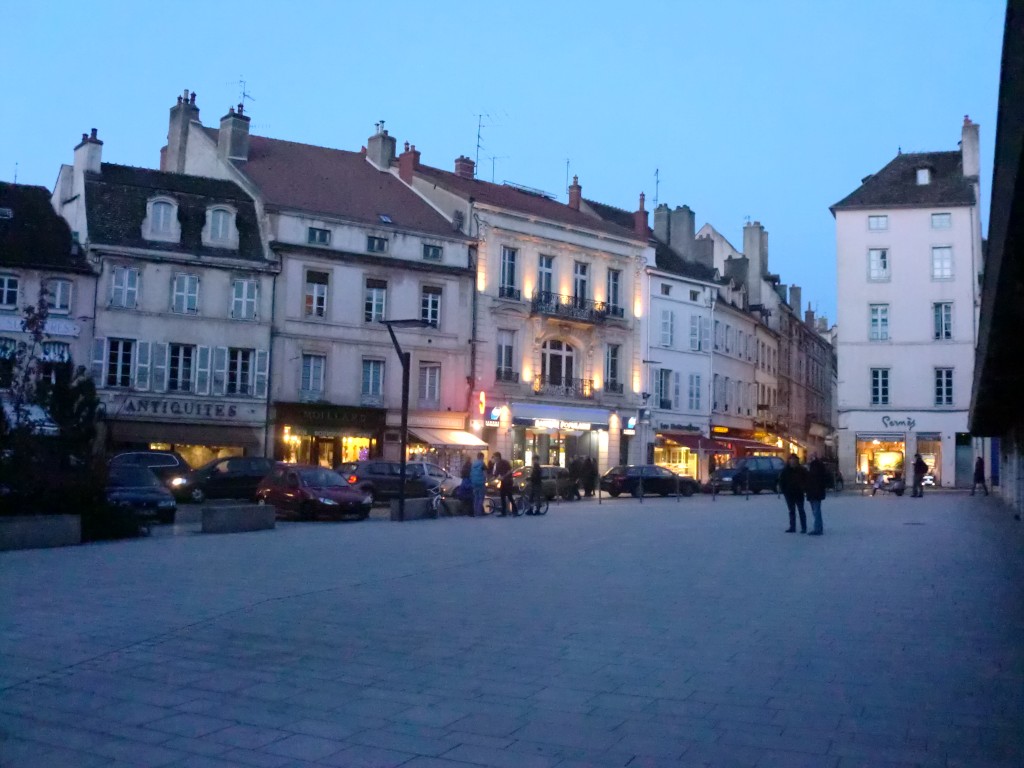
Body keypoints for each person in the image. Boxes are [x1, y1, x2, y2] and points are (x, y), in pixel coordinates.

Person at [779, 453, 808, 533]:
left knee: (801, 510)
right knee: (791, 511)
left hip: (799, 493)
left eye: (794, 460)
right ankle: (792, 527)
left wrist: (803, 488)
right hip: (789, 494)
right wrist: (784, 491)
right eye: (791, 460)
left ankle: (803, 527)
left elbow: (806, 480)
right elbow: (781, 481)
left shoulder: (801, 470)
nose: (793, 462)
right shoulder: (785, 470)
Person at [805, 455, 828, 536]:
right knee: (817, 511)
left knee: (816, 511)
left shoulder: (813, 472)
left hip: (814, 493)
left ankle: (818, 528)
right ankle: (819, 527)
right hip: (816, 493)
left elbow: (811, 483)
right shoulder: (819, 470)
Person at [469, 452, 487, 517]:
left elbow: (471, 473)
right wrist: (486, 479)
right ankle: (479, 513)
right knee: (481, 498)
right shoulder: (482, 464)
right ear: (482, 457)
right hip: (481, 482)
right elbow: (485, 473)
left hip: (474, 482)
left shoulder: (473, 464)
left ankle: (475, 512)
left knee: (476, 498)